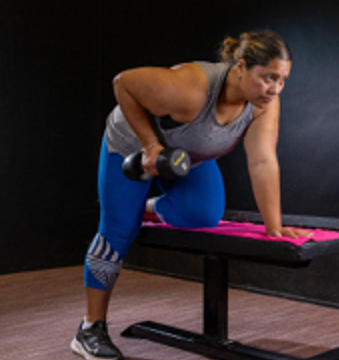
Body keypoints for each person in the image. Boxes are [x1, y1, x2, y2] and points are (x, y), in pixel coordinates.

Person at [71, 29, 311, 360]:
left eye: (282, 79)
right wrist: (151, 145)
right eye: (268, 77)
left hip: (189, 157)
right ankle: (90, 328)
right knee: (117, 231)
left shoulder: (262, 104)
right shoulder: (192, 87)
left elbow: (263, 161)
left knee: (203, 215)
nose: (275, 88)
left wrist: (274, 226)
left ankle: (149, 206)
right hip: (131, 148)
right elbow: (122, 83)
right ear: (241, 67)